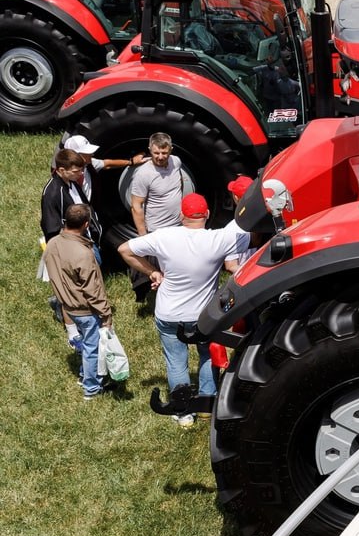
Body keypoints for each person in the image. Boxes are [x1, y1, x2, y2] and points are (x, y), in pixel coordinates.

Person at [119, 193, 249, 428]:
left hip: (169, 314)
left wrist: (152, 272)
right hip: (203, 316)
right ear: (207, 215)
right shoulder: (219, 239)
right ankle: (207, 407)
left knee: (176, 362)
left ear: (181, 215)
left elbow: (124, 250)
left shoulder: (164, 236)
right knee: (207, 356)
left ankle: (183, 412)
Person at [44, 204, 113, 399]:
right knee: (92, 347)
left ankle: (84, 374)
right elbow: (93, 290)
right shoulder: (83, 253)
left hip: (68, 305)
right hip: (86, 309)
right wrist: (105, 313)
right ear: (86, 224)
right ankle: (91, 388)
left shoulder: (53, 243)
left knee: (86, 342)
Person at [130, 133, 187, 236]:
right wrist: (143, 236)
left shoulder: (176, 161)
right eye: (156, 153)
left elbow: (180, 182)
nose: (160, 157)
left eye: (164, 153)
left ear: (171, 149)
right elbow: (136, 206)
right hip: (157, 230)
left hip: (179, 225)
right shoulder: (143, 174)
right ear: (150, 150)